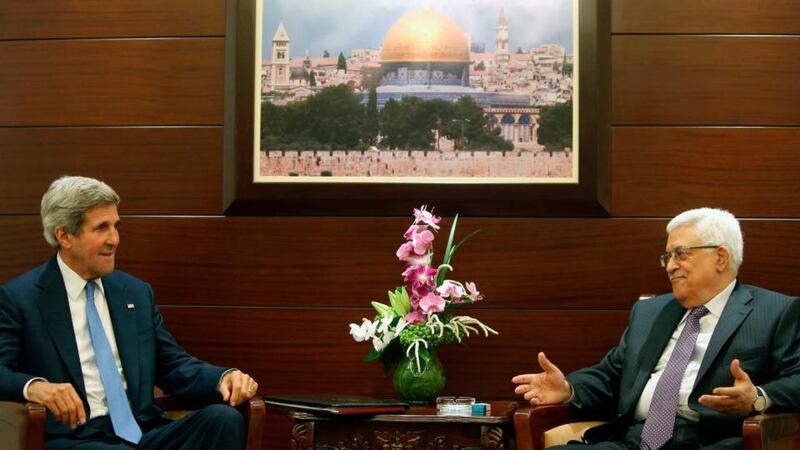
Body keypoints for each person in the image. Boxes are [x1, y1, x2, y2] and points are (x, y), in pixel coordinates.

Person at [0, 176, 259, 450]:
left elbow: (171, 364)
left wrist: (223, 377)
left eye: (116, 226)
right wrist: (35, 386)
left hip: (141, 432)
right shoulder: (20, 299)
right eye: (101, 228)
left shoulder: (134, 292)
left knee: (223, 419)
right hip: (76, 438)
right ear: (64, 236)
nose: (114, 239)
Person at [512, 207, 800, 449]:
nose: (670, 266)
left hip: (709, 442)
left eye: (681, 254)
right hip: (633, 441)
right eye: (667, 256)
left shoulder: (775, 312)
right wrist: (568, 388)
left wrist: (758, 397)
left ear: (721, 257)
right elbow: (612, 375)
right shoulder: (649, 313)